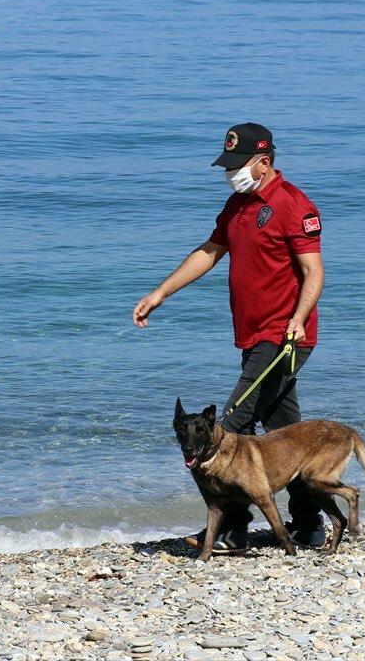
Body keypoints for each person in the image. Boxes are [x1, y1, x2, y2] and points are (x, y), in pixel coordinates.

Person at [133, 122, 326, 553]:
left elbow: (314, 272)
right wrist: (160, 293)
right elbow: (210, 251)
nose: (230, 173)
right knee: (286, 432)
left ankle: (232, 529)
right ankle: (308, 525)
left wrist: (298, 318)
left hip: (284, 336)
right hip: (251, 334)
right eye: (227, 165)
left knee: (229, 426)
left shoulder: (295, 205)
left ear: (265, 162)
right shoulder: (238, 204)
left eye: (238, 165)